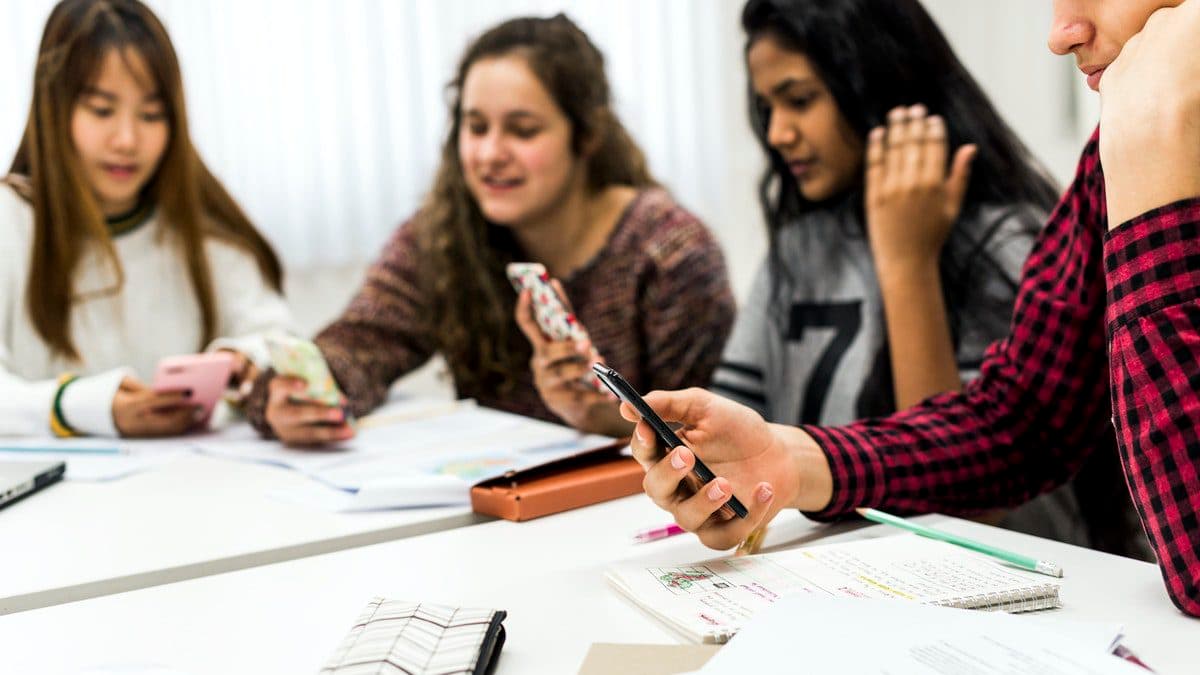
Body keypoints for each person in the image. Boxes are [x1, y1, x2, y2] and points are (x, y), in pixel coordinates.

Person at [624, 0, 1200, 616]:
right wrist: (787, 461)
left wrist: (1152, 164)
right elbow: (1021, 421)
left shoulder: (1087, 181)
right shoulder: (802, 246)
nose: (1060, 36)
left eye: (801, 100)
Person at [251, 14, 734, 444]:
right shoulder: (446, 233)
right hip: (496, 503)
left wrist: (603, 417)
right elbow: (360, 345)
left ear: (587, 135)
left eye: (523, 130)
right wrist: (294, 393)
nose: (489, 154)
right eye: (476, 127)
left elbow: (709, 440)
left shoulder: (669, 252)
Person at [0, 0, 290, 438]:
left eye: (152, 115)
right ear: (53, 110)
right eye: (101, 110)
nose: (127, 140)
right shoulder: (11, 222)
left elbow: (280, 340)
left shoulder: (201, 231)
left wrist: (242, 361)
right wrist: (84, 407)